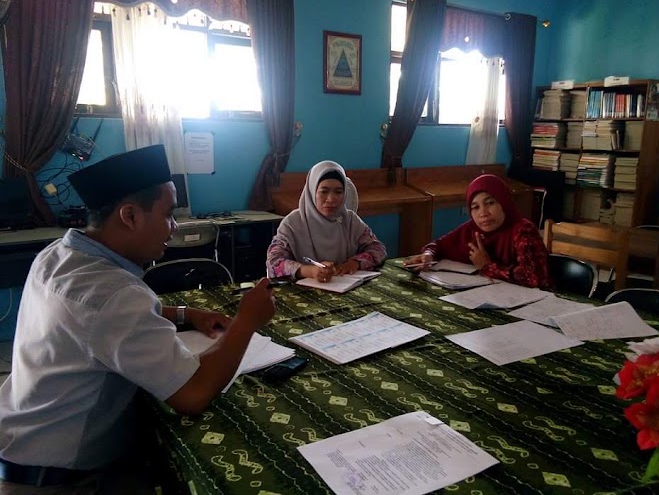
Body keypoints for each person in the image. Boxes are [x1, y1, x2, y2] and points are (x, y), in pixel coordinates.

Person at [0, 145, 275, 493]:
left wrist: (185, 314)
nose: (173, 228)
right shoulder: (116, 293)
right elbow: (193, 394)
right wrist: (246, 322)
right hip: (64, 479)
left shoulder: (58, 254)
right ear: (129, 216)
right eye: (168, 214)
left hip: (21, 441)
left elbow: (92, 317)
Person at [405, 173, 551, 289]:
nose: (483, 213)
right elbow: (439, 245)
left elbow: (533, 278)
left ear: (504, 203)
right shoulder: (472, 230)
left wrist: (486, 267)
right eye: (475, 207)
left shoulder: (523, 230)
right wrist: (428, 254)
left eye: (490, 203)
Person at [266, 160, 387, 282]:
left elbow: (378, 249)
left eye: (338, 192)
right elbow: (274, 263)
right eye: (324, 191)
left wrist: (354, 263)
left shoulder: (350, 220)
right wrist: (309, 271)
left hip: (344, 288)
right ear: (312, 192)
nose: (331, 199)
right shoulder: (293, 223)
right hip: (304, 293)